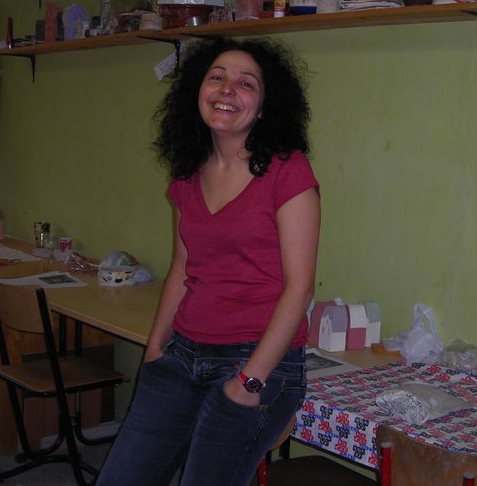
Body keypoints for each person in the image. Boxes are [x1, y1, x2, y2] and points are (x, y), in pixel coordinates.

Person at [97, 37, 320, 486]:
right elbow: (183, 267)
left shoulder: (287, 171)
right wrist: (155, 348)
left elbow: (299, 287)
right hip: (181, 354)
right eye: (216, 77)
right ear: (197, 91)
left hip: (253, 361)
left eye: (246, 83)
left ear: (265, 105)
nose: (227, 89)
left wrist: (251, 381)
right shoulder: (187, 175)